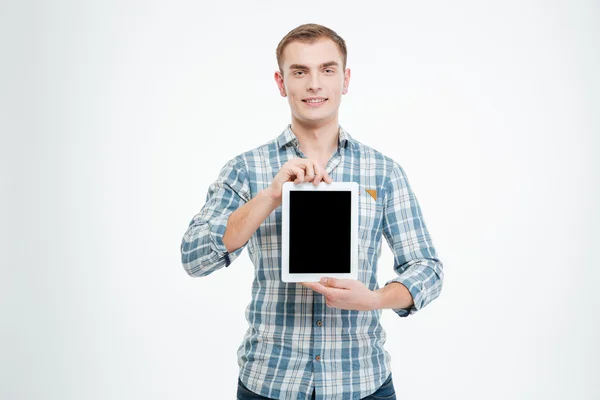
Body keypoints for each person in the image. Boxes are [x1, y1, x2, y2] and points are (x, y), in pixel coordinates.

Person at [180, 23, 444, 400]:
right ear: (281, 82)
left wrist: (373, 299)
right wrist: (271, 195)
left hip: (362, 383)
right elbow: (194, 258)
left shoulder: (383, 172)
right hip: (271, 382)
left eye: (327, 69)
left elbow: (427, 269)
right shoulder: (246, 169)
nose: (314, 84)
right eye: (299, 71)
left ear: (346, 79)